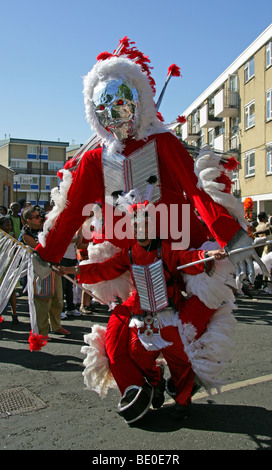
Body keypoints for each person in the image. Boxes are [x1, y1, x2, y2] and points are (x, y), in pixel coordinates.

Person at [58, 204, 235, 423]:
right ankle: (155, 381)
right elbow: (103, 270)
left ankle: (182, 402)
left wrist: (206, 254)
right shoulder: (129, 253)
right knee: (137, 355)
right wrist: (71, 270)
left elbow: (187, 259)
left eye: (144, 224)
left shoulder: (167, 249)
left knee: (181, 362)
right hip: (143, 319)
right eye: (136, 225)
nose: (140, 229)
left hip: (170, 317)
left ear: (153, 227)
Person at [20, 205, 70, 337]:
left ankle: (56, 325)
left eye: (40, 215)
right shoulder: (26, 234)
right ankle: (42, 332)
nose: (40, 218)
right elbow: (39, 249)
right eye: (36, 217)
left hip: (54, 267)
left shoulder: (46, 227)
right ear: (28, 220)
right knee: (42, 301)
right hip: (40, 271)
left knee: (58, 299)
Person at [0, 216, 19, 324]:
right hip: (1, 266)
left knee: (11, 290)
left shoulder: (12, 236)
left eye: (10, 225)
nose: (9, 227)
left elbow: (17, 250)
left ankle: (14, 314)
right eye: (6, 225)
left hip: (10, 266)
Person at [60, 235, 82, 317]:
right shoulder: (62, 228)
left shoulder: (74, 231)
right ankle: (61, 309)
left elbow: (78, 244)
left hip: (72, 258)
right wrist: (74, 240)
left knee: (70, 286)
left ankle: (71, 307)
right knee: (62, 286)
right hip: (63, 258)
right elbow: (61, 241)